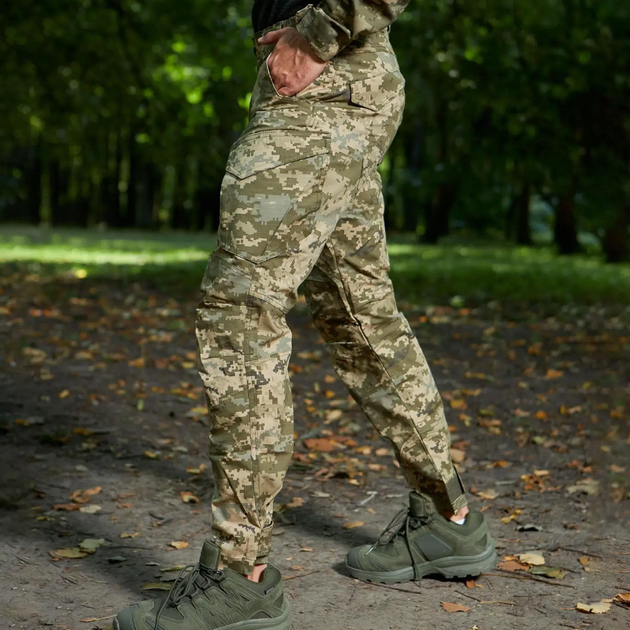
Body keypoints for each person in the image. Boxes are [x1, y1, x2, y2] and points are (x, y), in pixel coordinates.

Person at [114, 2, 496, 629]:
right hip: (343, 89)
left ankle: (240, 579)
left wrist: (316, 37)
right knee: (360, 318)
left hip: (321, 84)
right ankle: (446, 519)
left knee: (240, 317)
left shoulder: (316, 46)